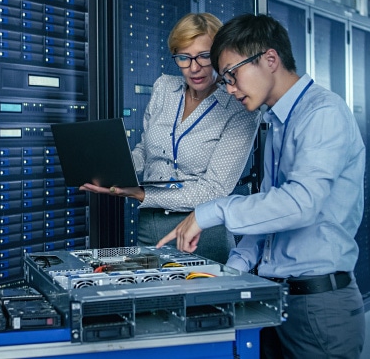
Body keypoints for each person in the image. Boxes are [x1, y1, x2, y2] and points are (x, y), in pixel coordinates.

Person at [157, 13, 366, 358]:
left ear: (270, 59)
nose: (230, 89)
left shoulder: (322, 113)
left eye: (233, 75)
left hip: (319, 306)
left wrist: (211, 210)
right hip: (275, 299)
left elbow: (300, 205)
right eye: (224, 80)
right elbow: (271, 212)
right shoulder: (278, 121)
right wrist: (230, 270)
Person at [80, 13, 260, 264]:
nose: (194, 68)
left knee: (202, 302)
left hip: (203, 231)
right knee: (150, 301)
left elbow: (215, 190)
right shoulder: (164, 88)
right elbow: (146, 149)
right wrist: (113, 171)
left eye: (204, 56)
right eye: (183, 58)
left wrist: (140, 194)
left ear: (221, 55)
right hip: (150, 225)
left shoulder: (238, 108)